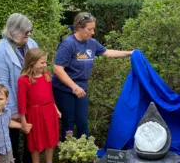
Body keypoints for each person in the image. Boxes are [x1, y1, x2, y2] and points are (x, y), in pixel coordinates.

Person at [52, 12, 133, 142]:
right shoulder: (68, 44)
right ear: (79, 28)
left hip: (81, 89)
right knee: (68, 123)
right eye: (90, 29)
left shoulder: (91, 43)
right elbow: (57, 68)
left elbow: (107, 52)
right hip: (65, 89)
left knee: (83, 123)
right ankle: (68, 156)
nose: (93, 32)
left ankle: (84, 153)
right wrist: (74, 87)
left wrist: (129, 53)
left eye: (93, 29)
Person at [0, 13, 37, 163]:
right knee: (13, 137)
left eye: (29, 31)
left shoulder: (30, 44)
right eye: (25, 32)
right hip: (13, 102)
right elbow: (3, 84)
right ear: (13, 31)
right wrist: (13, 109)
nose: (28, 35)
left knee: (31, 133)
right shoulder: (0, 52)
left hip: (31, 100)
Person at [18, 48, 61, 163]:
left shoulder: (46, 75)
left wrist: (56, 108)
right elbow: (22, 103)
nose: (44, 65)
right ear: (32, 62)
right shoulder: (23, 80)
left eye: (45, 62)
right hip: (34, 114)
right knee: (35, 142)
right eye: (42, 62)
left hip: (49, 111)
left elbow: (50, 95)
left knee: (50, 139)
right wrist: (23, 121)